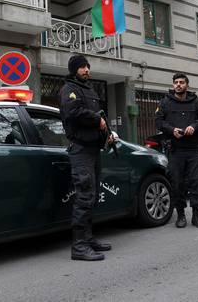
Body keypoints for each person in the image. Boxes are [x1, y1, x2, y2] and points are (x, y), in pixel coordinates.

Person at [59, 54, 113, 261]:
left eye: (87, 66)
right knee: (84, 195)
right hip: (80, 149)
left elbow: (99, 117)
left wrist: (108, 135)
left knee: (92, 195)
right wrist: (96, 118)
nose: (86, 70)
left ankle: (89, 238)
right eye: (82, 67)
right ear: (74, 70)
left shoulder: (88, 89)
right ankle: (79, 246)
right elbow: (73, 112)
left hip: (93, 149)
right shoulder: (69, 89)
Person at [155, 72, 198, 228]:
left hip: (194, 150)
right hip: (176, 150)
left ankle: (196, 215)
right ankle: (180, 215)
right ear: (173, 85)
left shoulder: (196, 102)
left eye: (181, 82)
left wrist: (194, 126)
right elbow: (159, 122)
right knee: (177, 183)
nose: (178, 85)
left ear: (187, 85)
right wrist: (172, 130)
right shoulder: (165, 102)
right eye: (176, 82)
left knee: (197, 182)